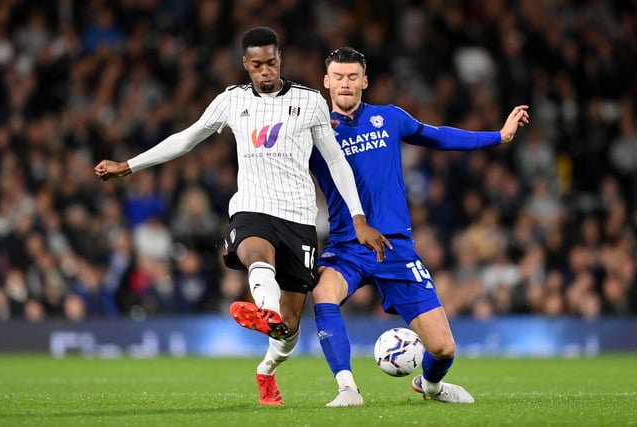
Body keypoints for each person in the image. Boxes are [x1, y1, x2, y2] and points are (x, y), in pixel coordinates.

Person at [94, 29, 389, 405]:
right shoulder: (231, 101)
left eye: (271, 62)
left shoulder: (310, 101)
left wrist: (358, 217)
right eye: (256, 65)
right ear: (245, 65)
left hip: (299, 218)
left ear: (280, 58)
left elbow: (335, 161)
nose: (265, 71)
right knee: (254, 251)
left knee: (291, 328)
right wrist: (129, 166)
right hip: (252, 207)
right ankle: (264, 310)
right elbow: (186, 138)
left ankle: (266, 369)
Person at [309, 46, 530, 407]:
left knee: (443, 348)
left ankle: (430, 386)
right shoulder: (313, 134)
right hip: (347, 244)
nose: (345, 84)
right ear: (326, 81)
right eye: (338, 77)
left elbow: (439, 135)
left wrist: (498, 136)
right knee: (323, 293)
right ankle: (347, 389)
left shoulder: (390, 117)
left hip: (395, 247)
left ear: (364, 81)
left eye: (352, 77)